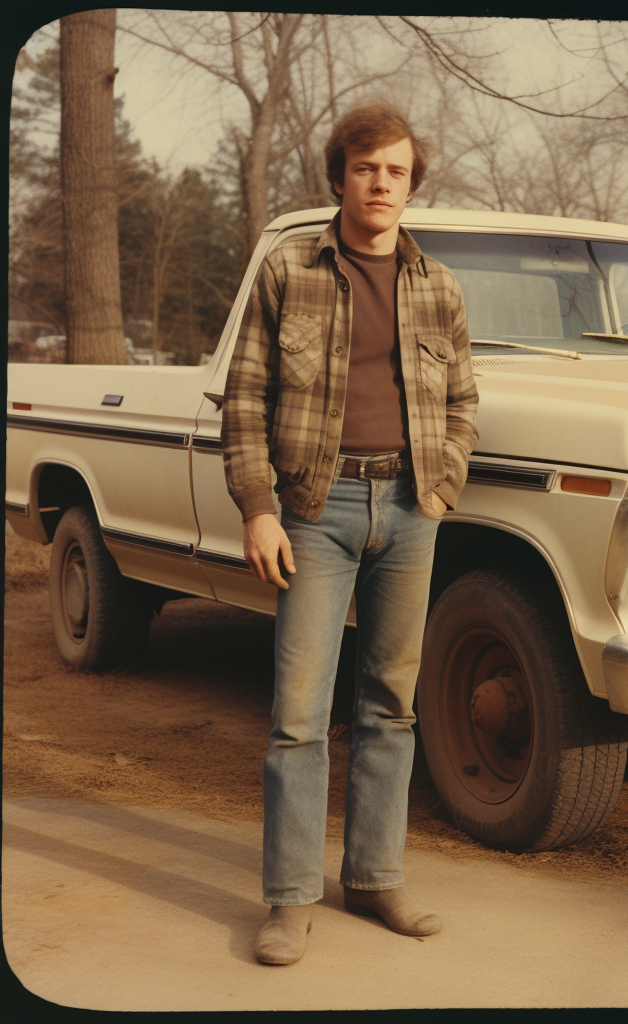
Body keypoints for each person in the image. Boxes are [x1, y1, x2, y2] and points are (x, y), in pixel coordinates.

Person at [221, 103, 479, 965]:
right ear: (341, 176)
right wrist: (259, 506)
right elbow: (246, 398)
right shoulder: (291, 269)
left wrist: (441, 487)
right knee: (299, 715)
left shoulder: (436, 285)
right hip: (313, 512)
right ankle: (290, 899)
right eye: (367, 168)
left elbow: (465, 401)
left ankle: (374, 878)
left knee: (390, 707)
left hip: (409, 513)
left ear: (411, 184)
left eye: (397, 171)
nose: (381, 184)